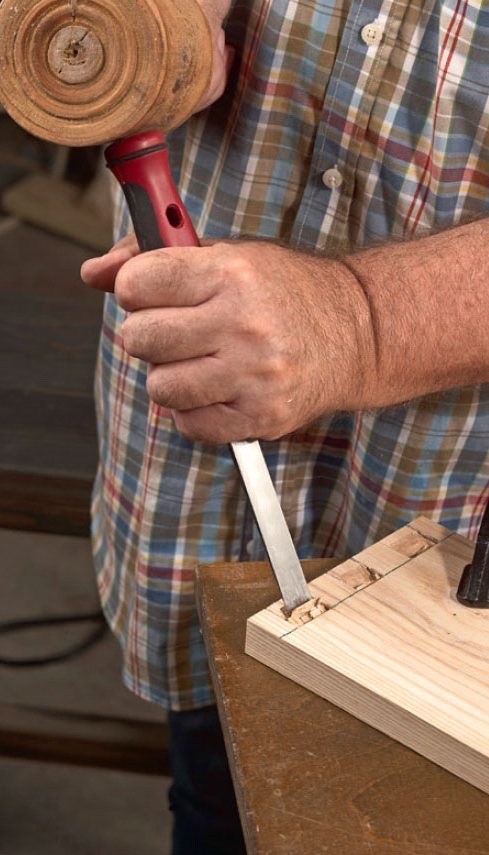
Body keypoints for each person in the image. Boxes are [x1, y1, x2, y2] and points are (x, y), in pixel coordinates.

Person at [81, 0, 489, 851]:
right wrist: (150, 28)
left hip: (444, 532)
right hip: (198, 472)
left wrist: (361, 320)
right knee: (218, 801)